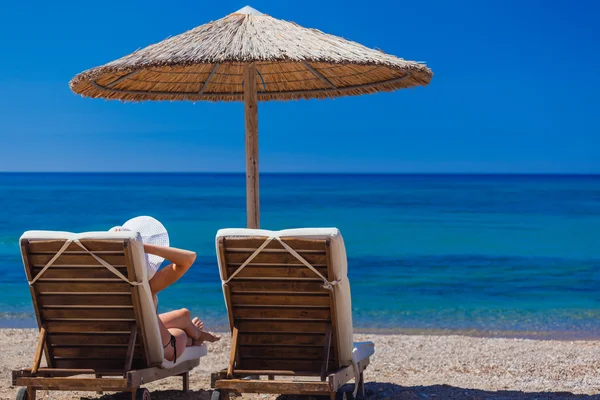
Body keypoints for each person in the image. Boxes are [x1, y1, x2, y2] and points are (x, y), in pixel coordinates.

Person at [111, 216, 219, 363]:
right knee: (182, 334)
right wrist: (142, 247)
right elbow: (189, 258)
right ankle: (194, 338)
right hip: (149, 349)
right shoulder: (144, 288)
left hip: (112, 345)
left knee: (183, 316)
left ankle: (195, 333)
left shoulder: (93, 285)